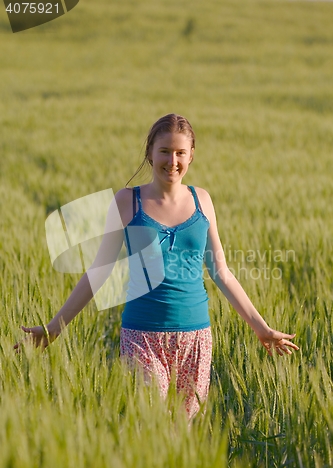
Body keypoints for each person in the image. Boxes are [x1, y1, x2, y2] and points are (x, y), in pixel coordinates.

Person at [17, 113, 299, 420]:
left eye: (180, 152)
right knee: (151, 425)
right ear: (150, 152)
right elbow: (100, 270)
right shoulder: (128, 202)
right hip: (142, 336)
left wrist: (261, 328)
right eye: (164, 151)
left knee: (180, 434)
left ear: (191, 155)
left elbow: (221, 272)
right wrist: (55, 326)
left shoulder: (202, 200)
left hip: (196, 338)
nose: (172, 160)